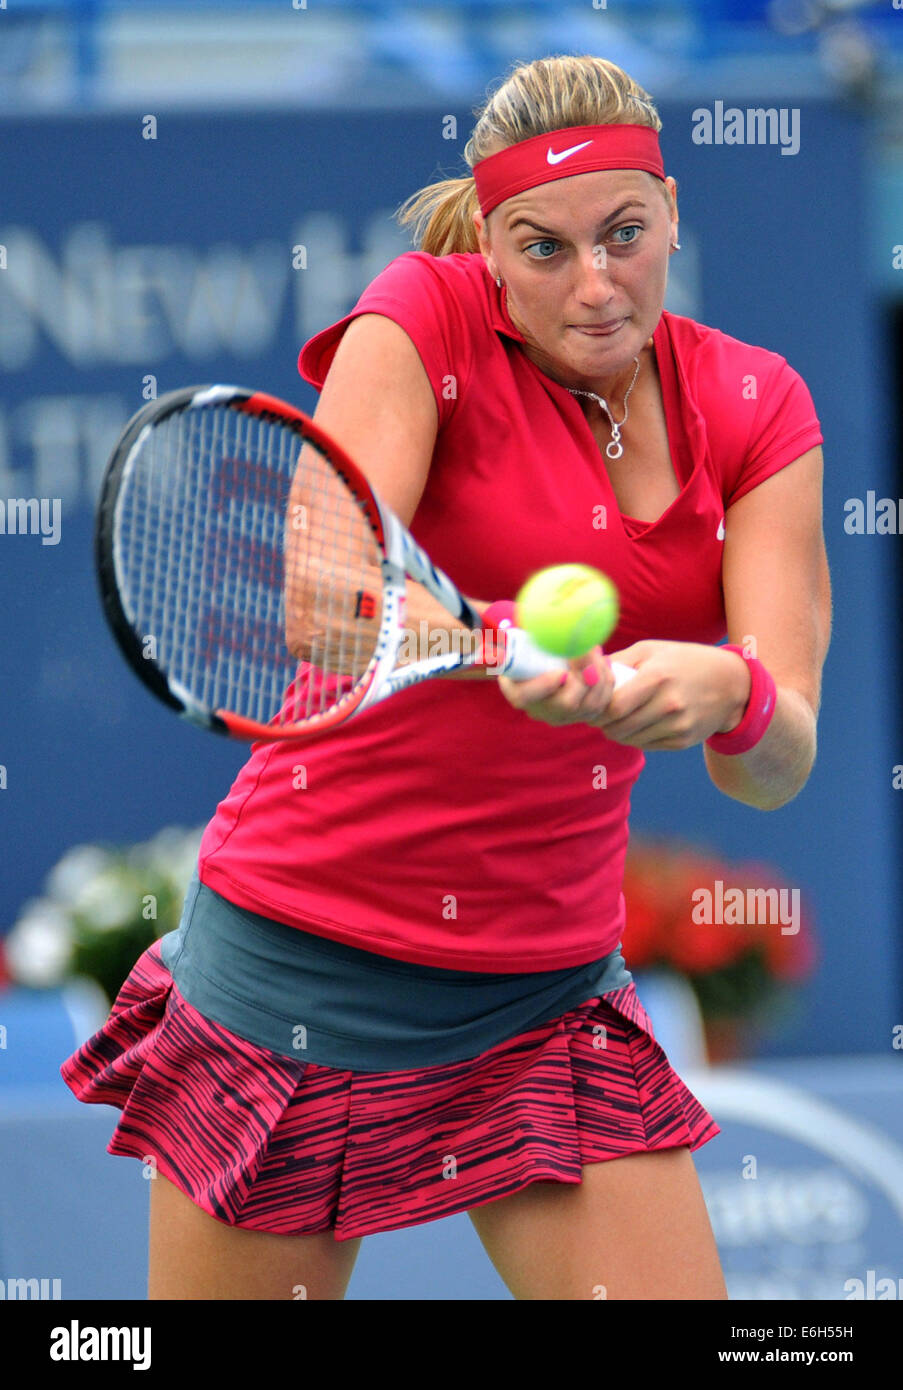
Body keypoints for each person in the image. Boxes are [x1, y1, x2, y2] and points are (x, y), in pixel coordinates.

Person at [60, 53, 830, 1301]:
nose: (595, 287)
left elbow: (776, 761)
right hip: (302, 965)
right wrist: (498, 635)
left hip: (547, 992)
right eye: (544, 249)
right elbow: (324, 607)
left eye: (626, 235)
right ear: (490, 242)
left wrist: (727, 692)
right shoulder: (420, 314)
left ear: (673, 211)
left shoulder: (756, 408)